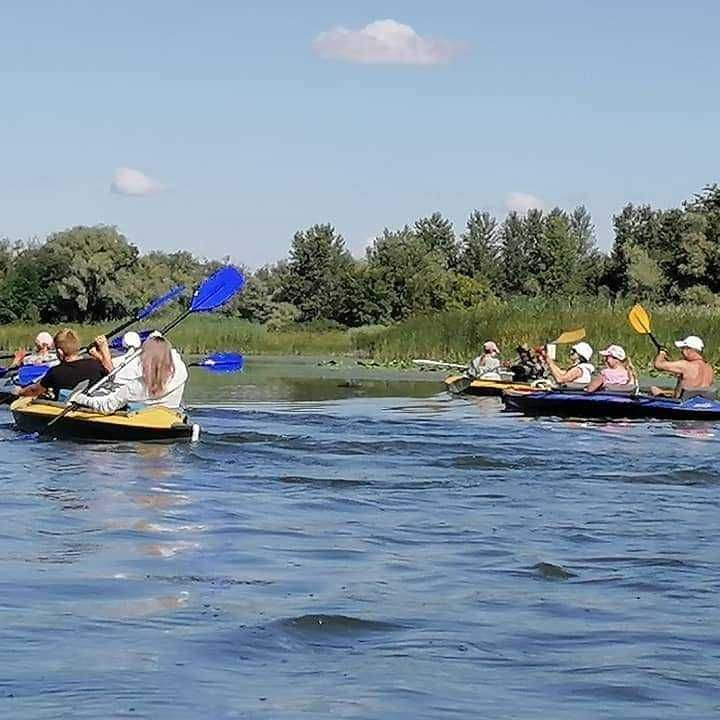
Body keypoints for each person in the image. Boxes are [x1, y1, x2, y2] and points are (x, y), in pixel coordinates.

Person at [71, 334, 188, 414]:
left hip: (143, 420)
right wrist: (159, 342)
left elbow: (106, 406)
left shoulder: (135, 386)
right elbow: (173, 353)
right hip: (170, 416)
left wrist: (80, 398)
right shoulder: (181, 372)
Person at [13, 329, 108, 400]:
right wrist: (101, 355)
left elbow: (34, 390)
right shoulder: (96, 365)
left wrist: (19, 392)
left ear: (60, 352)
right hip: (90, 405)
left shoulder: (55, 372)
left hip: (64, 407)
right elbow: (110, 373)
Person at [650, 335, 715, 399]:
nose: (681, 351)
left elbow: (658, 364)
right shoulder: (709, 368)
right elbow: (696, 392)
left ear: (689, 350)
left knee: (653, 389)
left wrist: (662, 353)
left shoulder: (685, 365)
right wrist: (662, 392)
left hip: (685, 403)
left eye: (683, 348)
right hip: (705, 403)